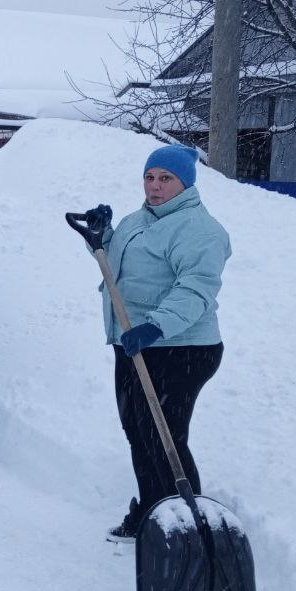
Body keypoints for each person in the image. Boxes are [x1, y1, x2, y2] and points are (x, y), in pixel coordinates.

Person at [85, 143, 230, 543]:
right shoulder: (138, 220)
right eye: (150, 177)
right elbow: (115, 264)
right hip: (134, 343)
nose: (155, 186)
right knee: (139, 430)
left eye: (165, 178)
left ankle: (189, 528)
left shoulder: (200, 230)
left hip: (183, 348)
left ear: (185, 182)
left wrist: (155, 326)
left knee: (165, 437)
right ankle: (153, 512)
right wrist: (102, 237)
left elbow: (195, 290)